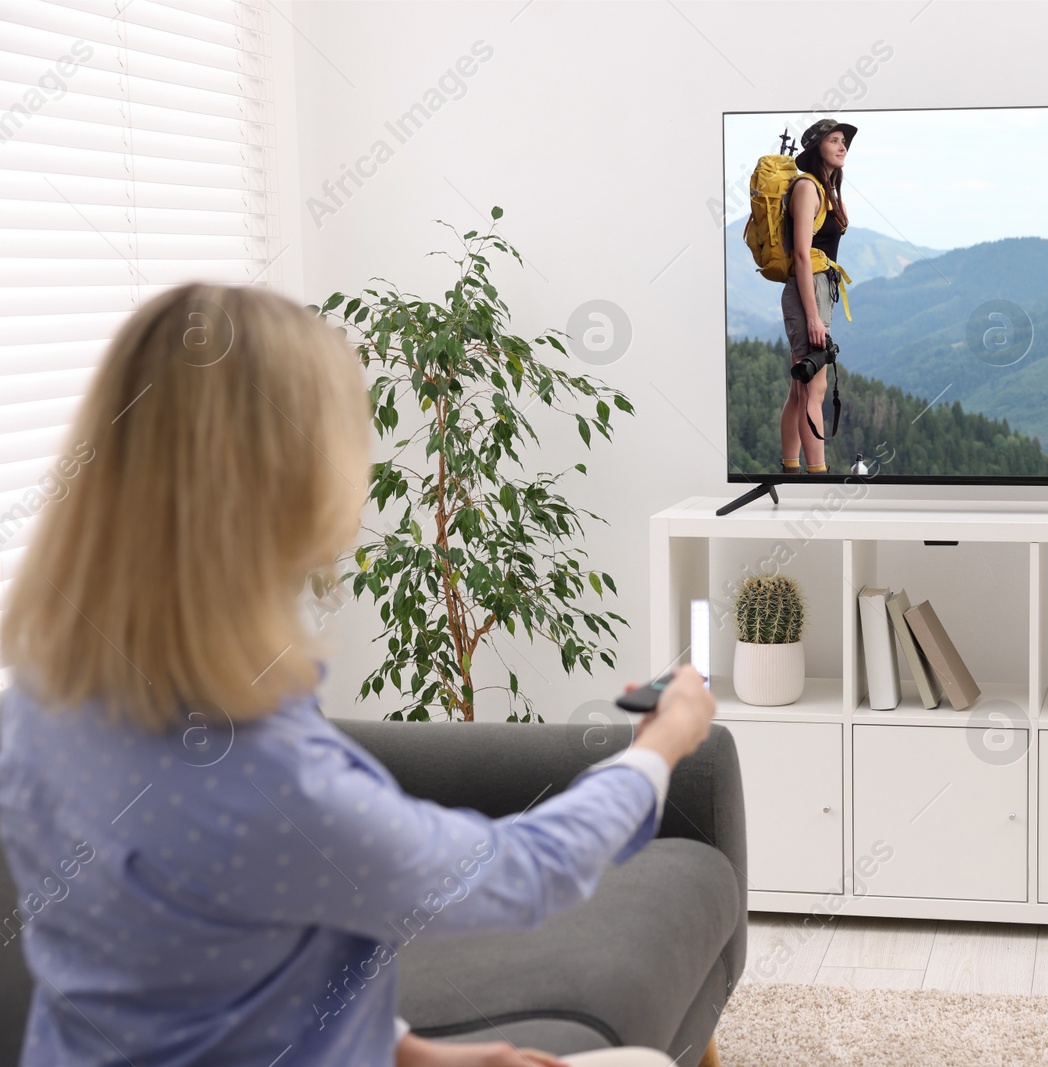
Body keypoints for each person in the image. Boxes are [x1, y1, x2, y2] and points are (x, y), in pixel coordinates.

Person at [0, 284, 718, 1067]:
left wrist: (416, 1053)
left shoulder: (37, 704)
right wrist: (661, 745)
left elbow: (205, 975)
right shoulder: (269, 776)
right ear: (291, 475)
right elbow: (525, 872)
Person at [778, 118, 856, 476]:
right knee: (815, 388)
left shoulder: (825, 189)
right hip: (807, 290)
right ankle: (817, 476)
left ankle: (791, 470)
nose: (842, 146)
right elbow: (800, 255)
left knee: (802, 386)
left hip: (818, 288)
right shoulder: (808, 187)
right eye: (834, 140)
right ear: (816, 149)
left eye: (844, 141)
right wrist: (812, 316)